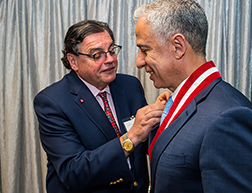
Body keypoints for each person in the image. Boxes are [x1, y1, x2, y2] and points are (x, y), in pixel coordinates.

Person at [133, 0, 252, 192]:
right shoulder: (182, 101)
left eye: (145, 50)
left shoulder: (229, 119)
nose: (139, 61)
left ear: (178, 47)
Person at [34, 20, 165, 193]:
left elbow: (149, 140)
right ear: (73, 61)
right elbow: (73, 172)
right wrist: (131, 137)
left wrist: (165, 113)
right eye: (97, 55)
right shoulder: (52, 101)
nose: (110, 59)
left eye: (111, 51)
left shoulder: (130, 85)